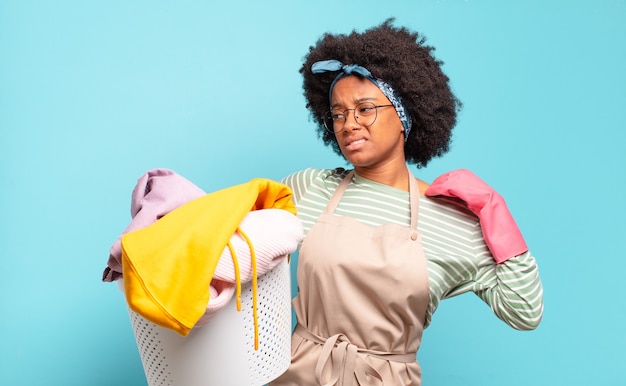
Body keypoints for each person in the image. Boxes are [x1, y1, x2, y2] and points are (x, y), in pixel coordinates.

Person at [270, 19, 543, 386]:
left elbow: (524, 311)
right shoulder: (309, 188)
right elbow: (237, 257)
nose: (349, 124)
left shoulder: (451, 220)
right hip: (295, 374)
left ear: (403, 115)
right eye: (338, 113)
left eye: (365, 109)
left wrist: (497, 213)